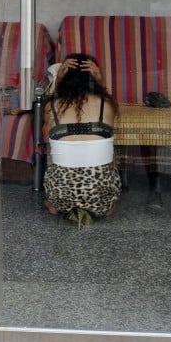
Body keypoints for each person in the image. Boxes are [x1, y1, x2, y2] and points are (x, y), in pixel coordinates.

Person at [42, 53, 121, 226]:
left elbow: (45, 138)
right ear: (94, 77)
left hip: (61, 196)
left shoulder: (51, 106)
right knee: (108, 145)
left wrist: (57, 83)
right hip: (99, 198)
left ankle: (55, 204)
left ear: (64, 77)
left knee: (54, 144)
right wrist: (101, 83)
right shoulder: (106, 105)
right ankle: (105, 206)